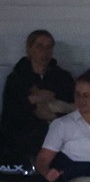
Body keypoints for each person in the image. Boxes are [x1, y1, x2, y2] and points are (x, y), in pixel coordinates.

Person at [0, 30, 75, 163]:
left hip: (59, 141)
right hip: (24, 141)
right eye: (40, 46)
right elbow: (10, 113)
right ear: (29, 50)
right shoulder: (16, 78)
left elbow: (74, 108)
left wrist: (51, 109)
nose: (45, 51)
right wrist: (32, 101)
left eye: (49, 47)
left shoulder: (63, 77)